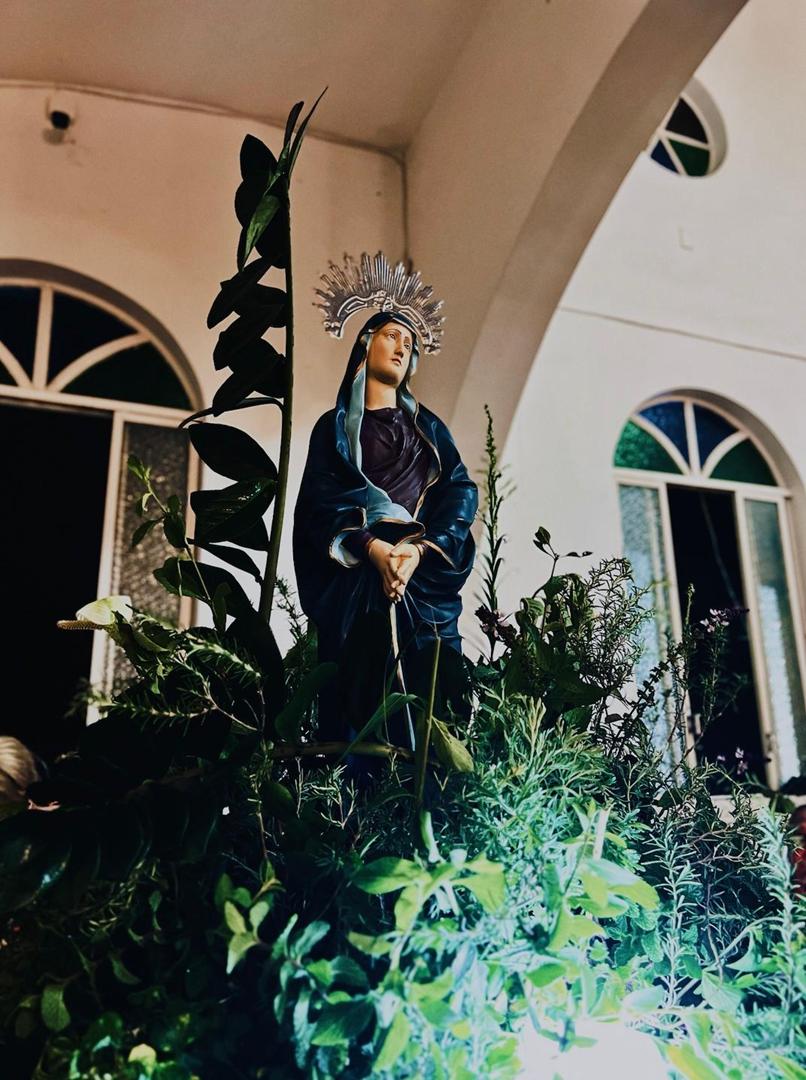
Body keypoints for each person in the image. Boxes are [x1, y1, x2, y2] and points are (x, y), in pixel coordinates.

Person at [292, 306, 478, 748]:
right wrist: (373, 549)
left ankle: (425, 780)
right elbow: (318, 505)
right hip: (357, 577)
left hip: (421, 576)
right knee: (358, 692)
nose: (401, 349)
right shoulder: (335, 429)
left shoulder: (429, 430)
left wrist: (418, 551)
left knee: (431, 694)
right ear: (366, 341)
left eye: (409, 345)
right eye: (393, 336)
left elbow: (460, 492)